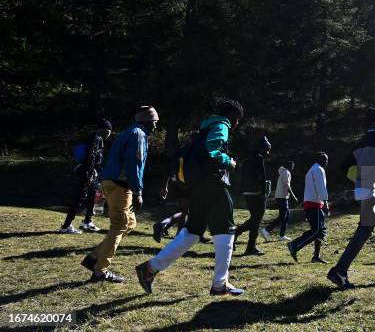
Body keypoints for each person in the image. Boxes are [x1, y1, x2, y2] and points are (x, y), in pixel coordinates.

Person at [136, 100, 245, 296]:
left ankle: (150, 268)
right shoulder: (222, 125)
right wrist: (229, 162)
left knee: (193, 232)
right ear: (234, 119)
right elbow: (213, 151)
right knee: (227, 230)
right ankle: (220, 284)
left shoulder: (205, 127)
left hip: (197, 186)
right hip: (213, 184)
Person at [327, 108, 375, 290]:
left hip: (363, 191)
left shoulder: (359, 144)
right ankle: (339, 270)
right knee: (365, 230)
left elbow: (343, 167)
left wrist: (360, 178)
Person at [81, 106, 158, 283]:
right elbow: (134, 164)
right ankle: (100, 271)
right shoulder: (138, 134)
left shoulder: (129, 132)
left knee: (130, 223)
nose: (155, 126)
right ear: (146, 121)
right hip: (120, 185)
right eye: (154, 122)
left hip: (111, 182)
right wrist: (138, 191)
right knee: (119, 225)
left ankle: (94, 258)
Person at [60, 118, 112, 234]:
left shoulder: (93, 137)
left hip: (89, 172)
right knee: (79, 198)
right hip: (87, 173)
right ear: (103, 130)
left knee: (94, 195)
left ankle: (87, 221)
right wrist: (90, 172)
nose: (108, 135)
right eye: (108, 132)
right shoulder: (97, 138)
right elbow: (91, 156)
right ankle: (66, 226)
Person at [287, 152, 329, 264]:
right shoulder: (319, 169)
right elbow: (321, 187)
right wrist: (326, 203)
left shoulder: (311, 170)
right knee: (316, 230)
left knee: (321, 230)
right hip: (314, 204)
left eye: (326, 160)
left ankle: (316, 256)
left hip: (312, 203)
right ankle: (294, 245)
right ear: (318, 160)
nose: (326, 162)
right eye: (324, 160)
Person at [234, 136, 272, 255]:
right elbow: (262, 176)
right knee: (256, 219)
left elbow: (243, 176)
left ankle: (246, 241)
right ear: (262, 148)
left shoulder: (248, 159)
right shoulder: (259, 158)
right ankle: (248, 244)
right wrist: (263, 191)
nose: (268, 152)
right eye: (267, 149)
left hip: (247, 193)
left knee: (255, 219)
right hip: (257, 193)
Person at [261, 161, 298, 242]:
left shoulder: (283, 172)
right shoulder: (286, 172)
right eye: (292, 165)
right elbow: (287, 185)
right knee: (282, 215)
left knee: (286, 215)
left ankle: (282, 235)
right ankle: (266, 230)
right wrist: (294, 196)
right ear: (289, 166)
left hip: (281, 197)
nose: (293, 167)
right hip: (282, 197)